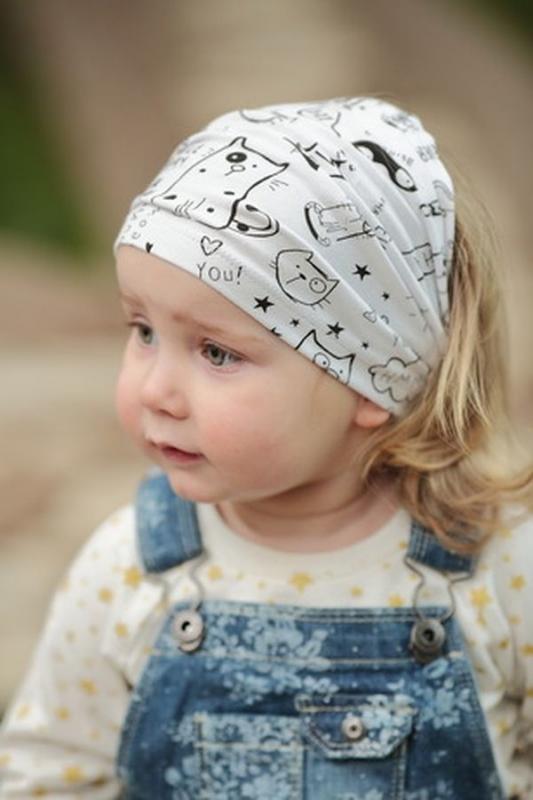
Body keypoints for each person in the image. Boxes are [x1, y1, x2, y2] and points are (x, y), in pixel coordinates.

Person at [1, 96, 532, 799]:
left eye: (216, 352)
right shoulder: (130, 569)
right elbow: (50, 773)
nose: (156, 389)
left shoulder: (498, 569)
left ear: (375, 377)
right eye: (143, 331)